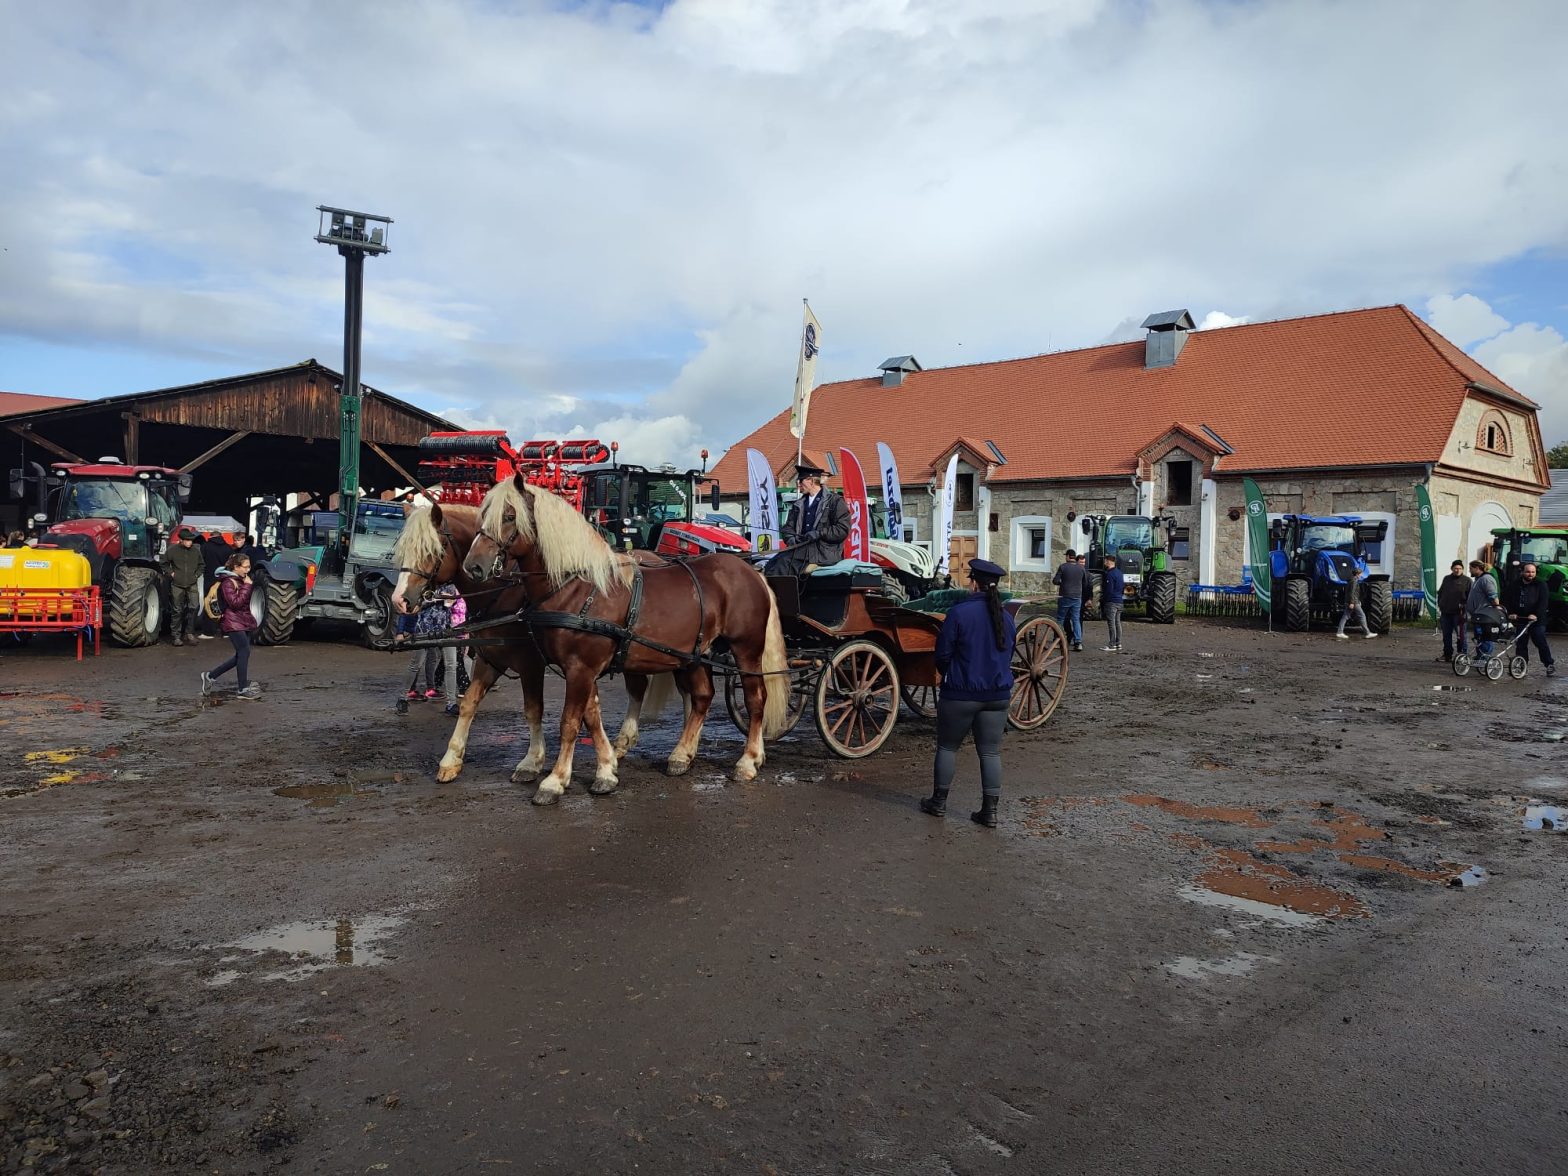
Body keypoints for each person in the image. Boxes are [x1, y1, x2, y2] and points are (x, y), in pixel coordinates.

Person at [920, 559, 1016, 828]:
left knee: (948, 747)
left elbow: (943, 654)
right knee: (990, 753)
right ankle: (990, 812)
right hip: (997, 695)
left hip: (960, 693)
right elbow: (1008, 653)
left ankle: (938, 803)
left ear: (974, 583)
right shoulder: (1006, 618)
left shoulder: (959, 613)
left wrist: (951, 674)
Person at [765, 462, 852, 578]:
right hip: (801, 549)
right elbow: (788, 528)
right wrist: (790, 538)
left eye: (800, 481)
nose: (798, 484)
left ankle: (783, 596)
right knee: (771, 564)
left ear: (811, 481)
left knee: (783, 564)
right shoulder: (798, 504)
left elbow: (842, 530)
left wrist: (819, 533)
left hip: (823, 552)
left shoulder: (835, 502)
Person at [200, 553, 261, 700]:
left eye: (249, 566)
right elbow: (235, 603)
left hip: (243, 620)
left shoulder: (239, 580)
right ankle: (242, 689)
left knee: (241, 655)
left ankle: (210, 676)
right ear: (236, 567)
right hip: (232, 622)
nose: (248, 570)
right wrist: (247, 586)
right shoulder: (228, 582)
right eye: (245, 567)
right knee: (244, 652)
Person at [1506, 563, 1556, 676]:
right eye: (1528, 572)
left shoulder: (1541, 584)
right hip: (1521, 618)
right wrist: (1511, 613)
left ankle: (1549, 664)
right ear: (1522, 572)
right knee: (1521, 643)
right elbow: (1507, 599)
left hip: (1537, 620)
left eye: (1533, 572)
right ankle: (1522, 666)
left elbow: (1543, 603)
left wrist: (1535, 614)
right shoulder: (1515, 584)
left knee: (1539, 640)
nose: (1530, 574)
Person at [160, 527, 205, 646]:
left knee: (194, 607)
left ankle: (189, 633)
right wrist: (171, 573)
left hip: (192, 583)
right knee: (177, 610)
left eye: (191, 540)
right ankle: (176, 636)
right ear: (182, 540)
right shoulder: (172, 550)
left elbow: (202, 565)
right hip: (177, 584)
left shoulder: (196, 551)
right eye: (188, 540)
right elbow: (163, 563)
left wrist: (196, 575)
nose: (190, 542)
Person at [1052, 548, 1088, 652]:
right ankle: (1078, 642)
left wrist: (1062, 583)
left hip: (1065, 595)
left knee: (1060, 619)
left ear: (1068, 556)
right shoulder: (1081, 568)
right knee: (1076, 619)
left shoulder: (1063, 567)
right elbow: (1085, 582)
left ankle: (1057, 640)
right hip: (1077, 596)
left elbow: (1055, 581)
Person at [1436, 559, 1471, 663]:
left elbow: (1470, 596)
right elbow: (1441, 592)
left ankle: (1463, 656)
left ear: (1463, 569)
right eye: (1455, 568)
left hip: (1459, 614)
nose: (1457, 570)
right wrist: (1440, 603)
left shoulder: (1467, 581)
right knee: (1446, 636)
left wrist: (1465, 607)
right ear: (1452, 569)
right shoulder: (1446, 579)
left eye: (1460, 568)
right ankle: (1447, 655)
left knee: (1461, 636)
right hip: (1446, 612)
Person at [1465, 558, 1500, 657]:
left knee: (1486, 637)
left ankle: (1485, 657)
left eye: (1470, 568)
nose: (1469, 570)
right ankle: (1480, 656)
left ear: (1477, 568)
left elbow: (1493, 596)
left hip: (1485, 615)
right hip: (1478, 615)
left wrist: (1496, 609)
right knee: (1479, 637)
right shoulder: (1478, 579)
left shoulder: (1486, 579)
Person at [1335, 567, 1376, 640]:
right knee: (1362, 616)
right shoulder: (1354, 581)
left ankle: (1340, 632)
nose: (1361, 575)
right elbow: (1352, 592)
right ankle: (1367, 633)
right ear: (1357, 574)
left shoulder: (1350, 580)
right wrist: (1352, 602)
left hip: (1351, 601)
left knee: (1345, 616)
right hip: (1353, 602)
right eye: (1360, 574)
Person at [1100, 553, 1125, 652]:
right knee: (1118, 622)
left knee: (1111, 623)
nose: (1104, 562)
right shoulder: (1119, 573)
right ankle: (1118, 643)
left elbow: (1108, 590)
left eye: (1105, 560)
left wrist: (1103, 600)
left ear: (1108, 561)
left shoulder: (1109, 574)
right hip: (1119, 600)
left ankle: (1112, 644)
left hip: (1111, 602)